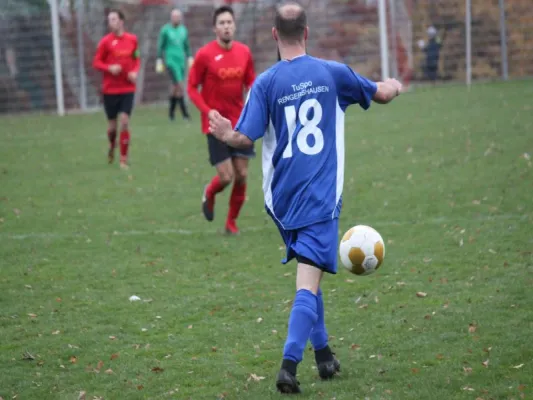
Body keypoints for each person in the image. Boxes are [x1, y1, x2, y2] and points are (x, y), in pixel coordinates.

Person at [208, 1, 402, 394]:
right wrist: (395, 85)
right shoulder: (332, 73)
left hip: (281, 198)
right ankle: (288, 365)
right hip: (318, 197)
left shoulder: (266, 82)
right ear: (307, 33)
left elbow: (244, 137)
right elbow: (379, 94)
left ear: (276, 35)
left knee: (310, 273)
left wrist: (226, 135)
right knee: (306, 284)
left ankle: (324, 354)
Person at [187, 5, 256, 235]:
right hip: (215, 125)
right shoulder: (205, 55)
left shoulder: (244, 52)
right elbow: (191, 87)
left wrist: (255, 107)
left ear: (234, 26)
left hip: (240, 122)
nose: (226, 26)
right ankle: (210, 192)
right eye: (222, 23)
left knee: (243, 174)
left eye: (229, 22)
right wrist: (208, 111)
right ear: (215, 28)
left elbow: (252, 83)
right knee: (226, 177)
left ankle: (231, 223)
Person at [93, 9, 140, 170]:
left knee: (125, 122)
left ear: (121, 21)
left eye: (113, 19)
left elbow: (136, 58)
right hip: (110, 90)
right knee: (112, 127)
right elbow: (96, 62)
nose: (110, 22)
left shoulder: (132, 39)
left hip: (127, 88)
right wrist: (109, 67)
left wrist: (135, 71)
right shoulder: (105, 42)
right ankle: (112, 144)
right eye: (109, 20)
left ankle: (123, 159)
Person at [156, 8, 193, 122]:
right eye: (174, 16)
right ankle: (185, 114)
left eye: (178, 16)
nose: (176, 18)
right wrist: (159, 59)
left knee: (175, 88)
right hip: (171, 62)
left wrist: (190, 57)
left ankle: (171, 115)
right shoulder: (165, 30)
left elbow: (186, 45)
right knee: (180, 86)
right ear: (171, 17)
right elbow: (160, 45)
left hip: (181, 62)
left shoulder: (183, 30)